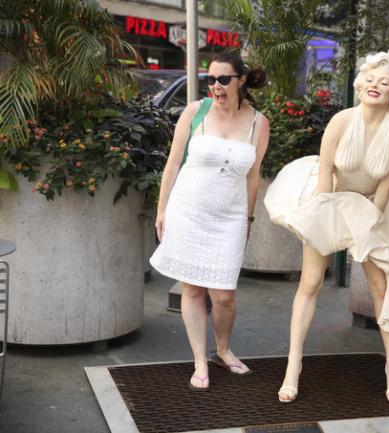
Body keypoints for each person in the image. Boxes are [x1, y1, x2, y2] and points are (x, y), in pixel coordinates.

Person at [264, 49, 389, 404]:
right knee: (310, 282)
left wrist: (365, 229)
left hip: (371, 206)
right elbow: (325, 174)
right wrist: (326, 219)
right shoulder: (341, 121)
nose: (374, 86)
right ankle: (293, 367)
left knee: (382, 287)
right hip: (330, 198)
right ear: (359, 83)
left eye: (384, 82)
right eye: (369, 79)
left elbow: (385, 187)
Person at [150, 51, 270, 390]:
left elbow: (253, 176)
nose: (216, 87)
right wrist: (162, 210)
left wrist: (247, 218)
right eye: (211, 80)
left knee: (224, 296)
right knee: (192, 289)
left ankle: (223, 349)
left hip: (230, 217)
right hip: (188, 211)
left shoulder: (259, 123)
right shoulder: (195, 111)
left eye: (223, 79)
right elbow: (173, 164)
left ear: (241, 80)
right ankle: (200, 361)